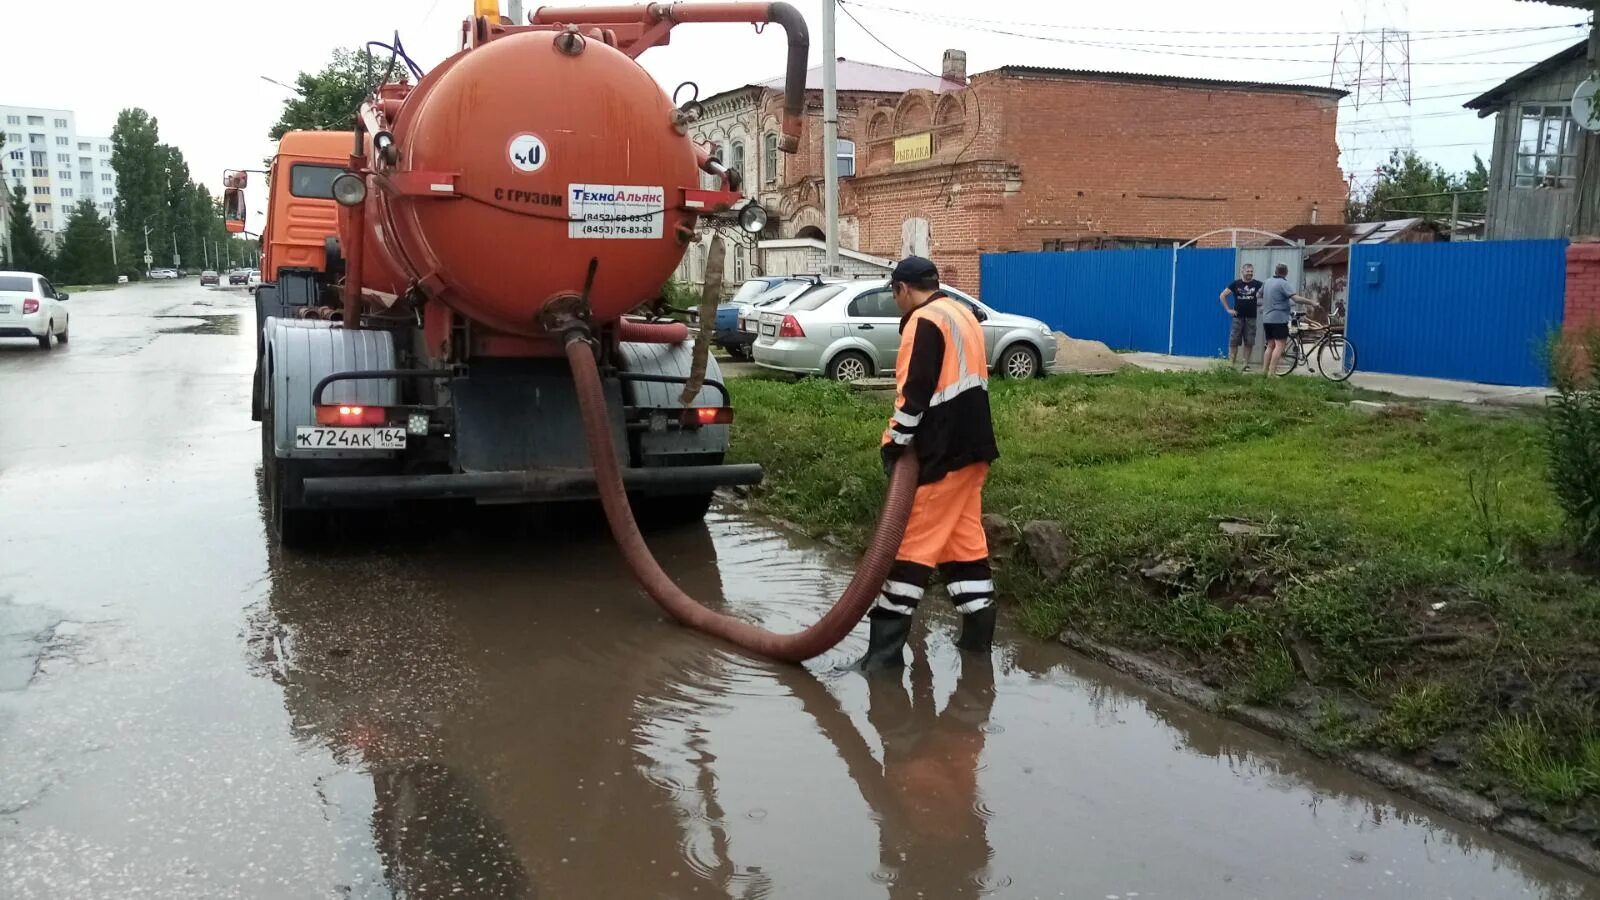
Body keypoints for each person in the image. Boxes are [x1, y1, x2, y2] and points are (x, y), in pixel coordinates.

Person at [862, 256, 1000, 671]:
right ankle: (977, 650)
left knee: (910, 548)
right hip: (974, 450)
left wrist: (894, 443)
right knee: (964, 548)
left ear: (903, 289)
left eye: (894, 294)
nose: (896, 301)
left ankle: (881, 661)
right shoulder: (963, 313)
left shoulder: (924, 322)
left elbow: (913, 395)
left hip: (942, 453)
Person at [1260, 263, 1316, 376]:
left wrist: (1269, 304)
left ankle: (1264, 372)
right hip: (1279, 319)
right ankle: (1272, 374)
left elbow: (1259, 295)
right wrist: (1312, 302)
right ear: (1286, 273)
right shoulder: (1283, 283)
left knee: (1270, 346)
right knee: (1280, 346)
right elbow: (1295, 298)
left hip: (1267, 319)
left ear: (1275, 271)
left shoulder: (1267, 282)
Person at [1219, 263, 1262, 370]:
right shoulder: (1235, 284)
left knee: (1249, 341)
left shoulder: (1258, 284)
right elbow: (1222, 295)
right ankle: (1231, 364)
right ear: (1242, 272)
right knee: (1234, 341)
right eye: (1248, 271)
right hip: (1238, 317)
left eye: (1251, 271)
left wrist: (1263, 305)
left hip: (1251, 317)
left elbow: (1267, 295)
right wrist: (1228, 309)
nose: (1250, 273)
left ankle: (1245, 364)